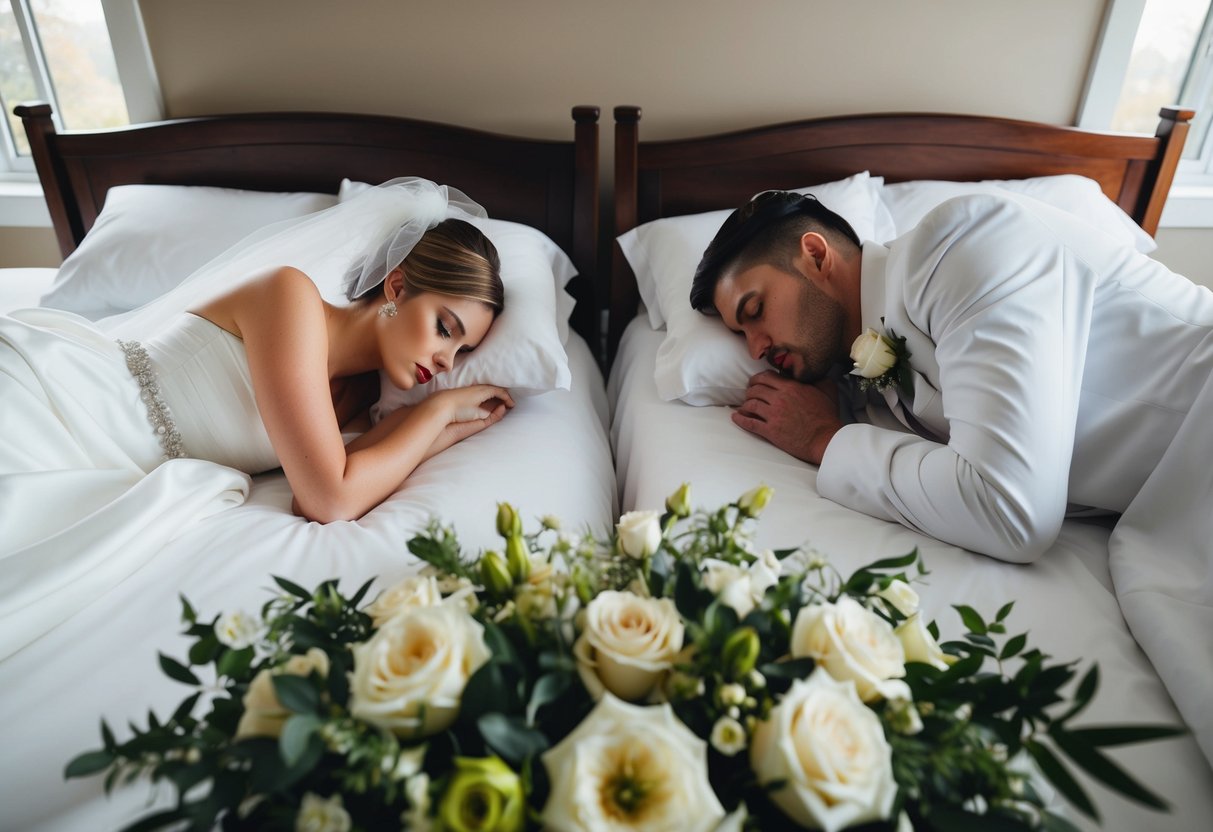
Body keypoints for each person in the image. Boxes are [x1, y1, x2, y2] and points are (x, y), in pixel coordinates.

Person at [689, 187, 1213, 765]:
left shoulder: (959, 244)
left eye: (755, 311)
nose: (757, 348)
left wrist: (824, 442)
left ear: (816, 256)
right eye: (742, 337)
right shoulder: (862, 389)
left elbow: (1013, 510)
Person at [0, 178, 512, 658]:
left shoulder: (355, 395)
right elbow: (329, 498)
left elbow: (341, 480)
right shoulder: (289, 299)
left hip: (108, 459)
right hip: (65, 405)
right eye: (446, 328)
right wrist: (440, 409)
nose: (447, 362)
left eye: (463, 350)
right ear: (397, 288)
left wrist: (436, 425)